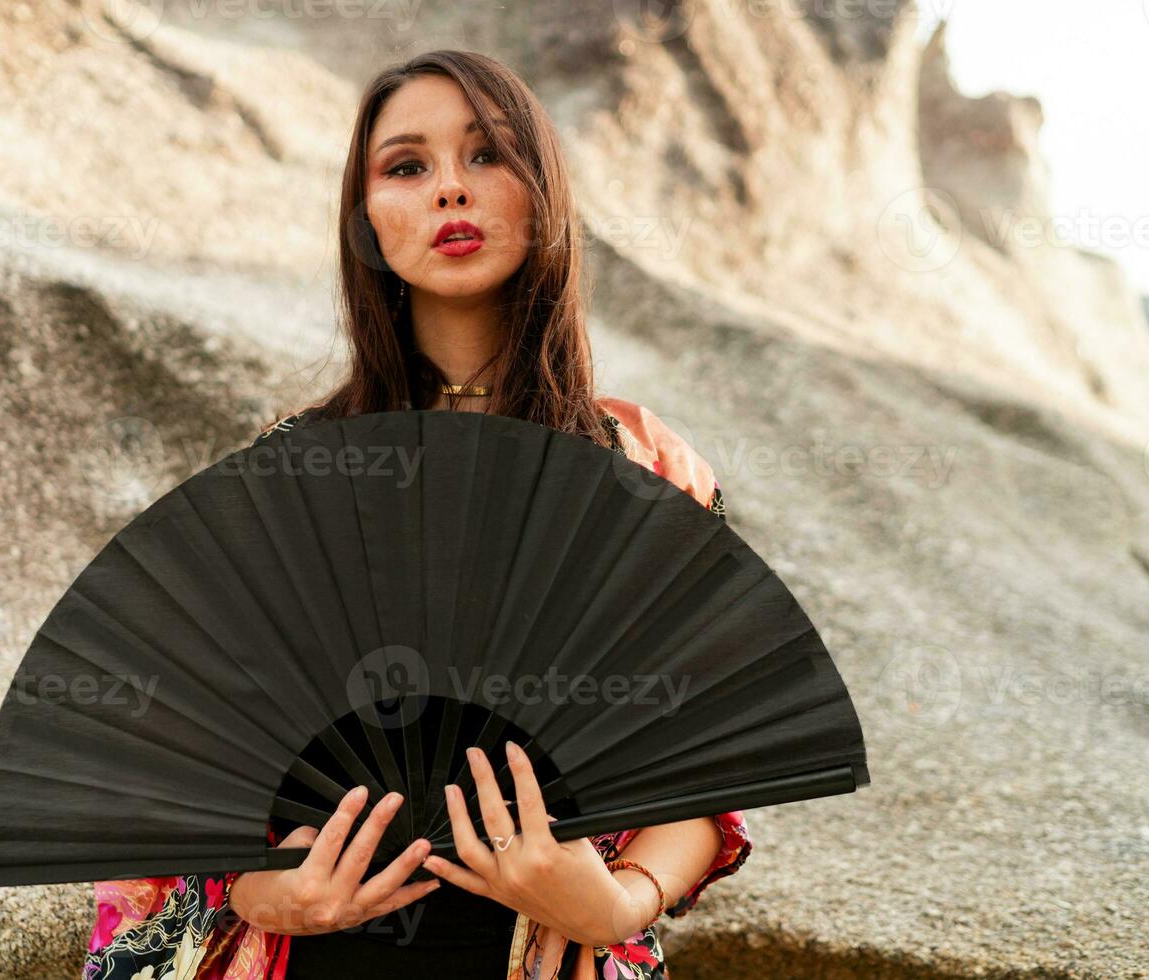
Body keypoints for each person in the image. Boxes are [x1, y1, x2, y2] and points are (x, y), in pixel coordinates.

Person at [82, 49, 750, 980]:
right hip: (301, 953)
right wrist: (250, 888)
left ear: (543, 192)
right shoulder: (290, 470)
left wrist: (621, 899)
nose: (450, 191)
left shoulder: (647, 469)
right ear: (367, 222)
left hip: (546, 947)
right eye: (407, 166)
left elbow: (708, 754)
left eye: (487, 156)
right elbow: (167, 744)